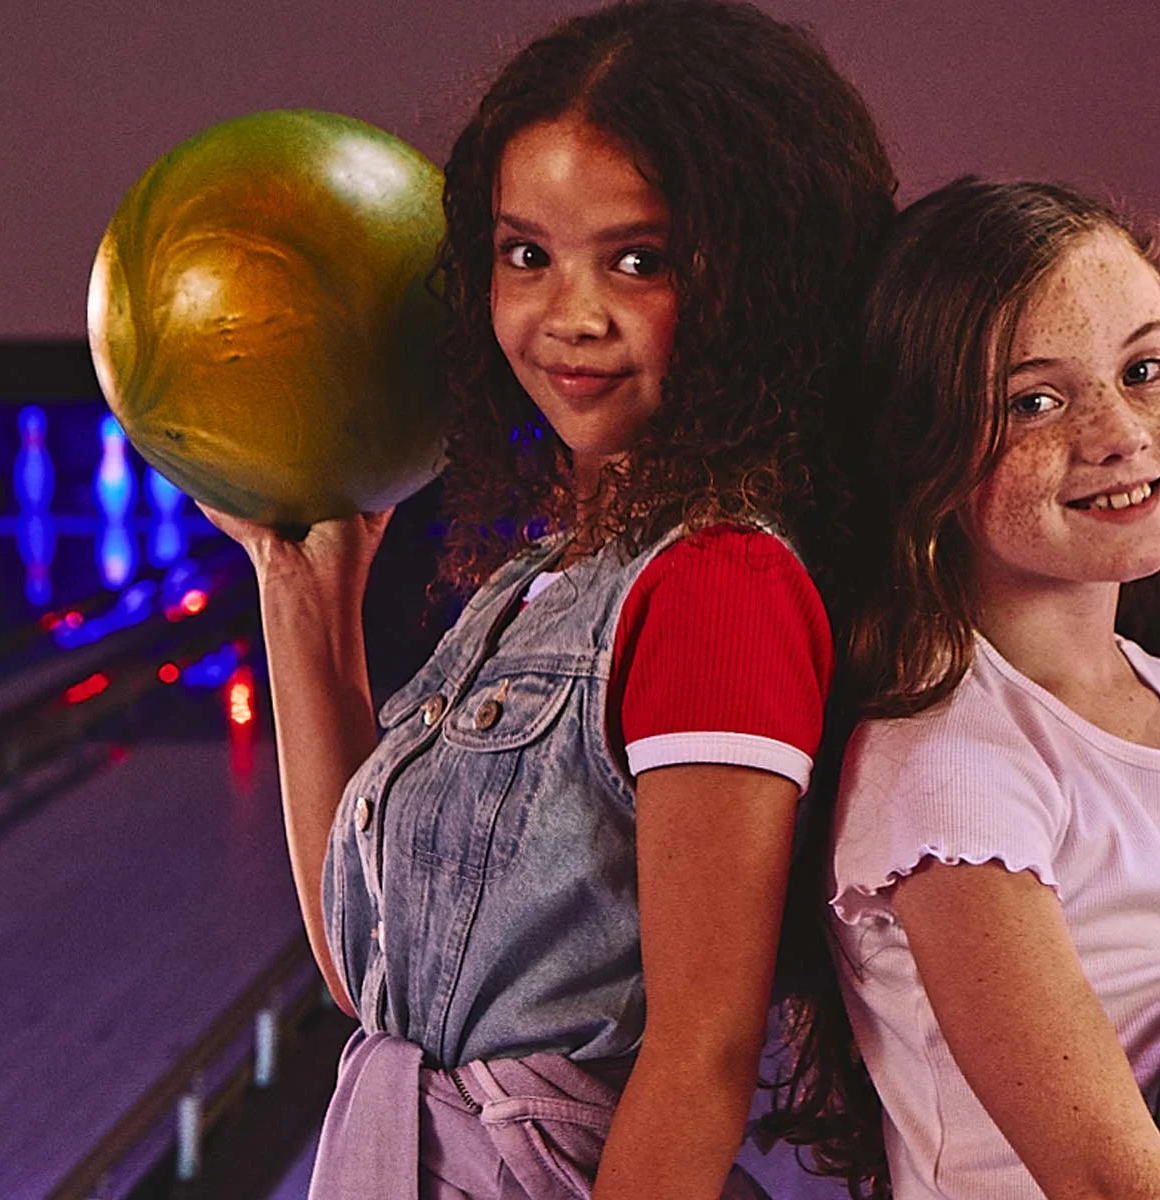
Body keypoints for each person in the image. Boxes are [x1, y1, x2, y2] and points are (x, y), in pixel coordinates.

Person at [201, 3, 897, 1196]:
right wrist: (301, 589)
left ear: (763, 283)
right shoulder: (549, 579)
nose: (568, 317)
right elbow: (370, 978)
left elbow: (701, 1052)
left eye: (641, 259)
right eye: (527, 254)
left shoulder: (718, 587)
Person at [770, 178, 1160, 1200]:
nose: (1118, 433)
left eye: (1143, 370)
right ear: (928, 449)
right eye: (1035, 401)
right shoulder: (951, 769)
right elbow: (1108, 1179)